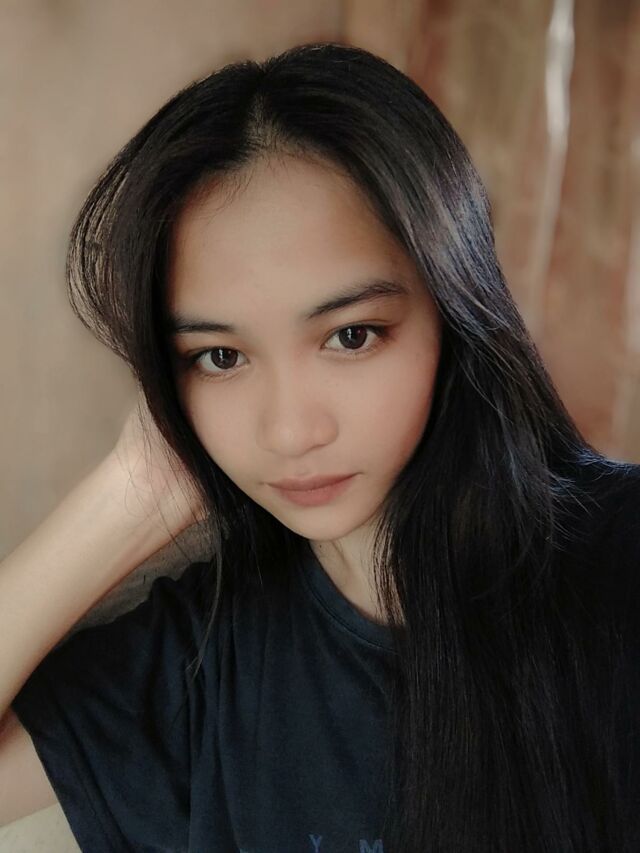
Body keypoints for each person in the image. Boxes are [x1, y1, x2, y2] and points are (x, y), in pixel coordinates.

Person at [0, 41, 638, 853]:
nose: (292, 431)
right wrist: (134, 488)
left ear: (453, 309)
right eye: (220, 356)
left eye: (351, 335)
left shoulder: (620, 565)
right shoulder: (203, 657)